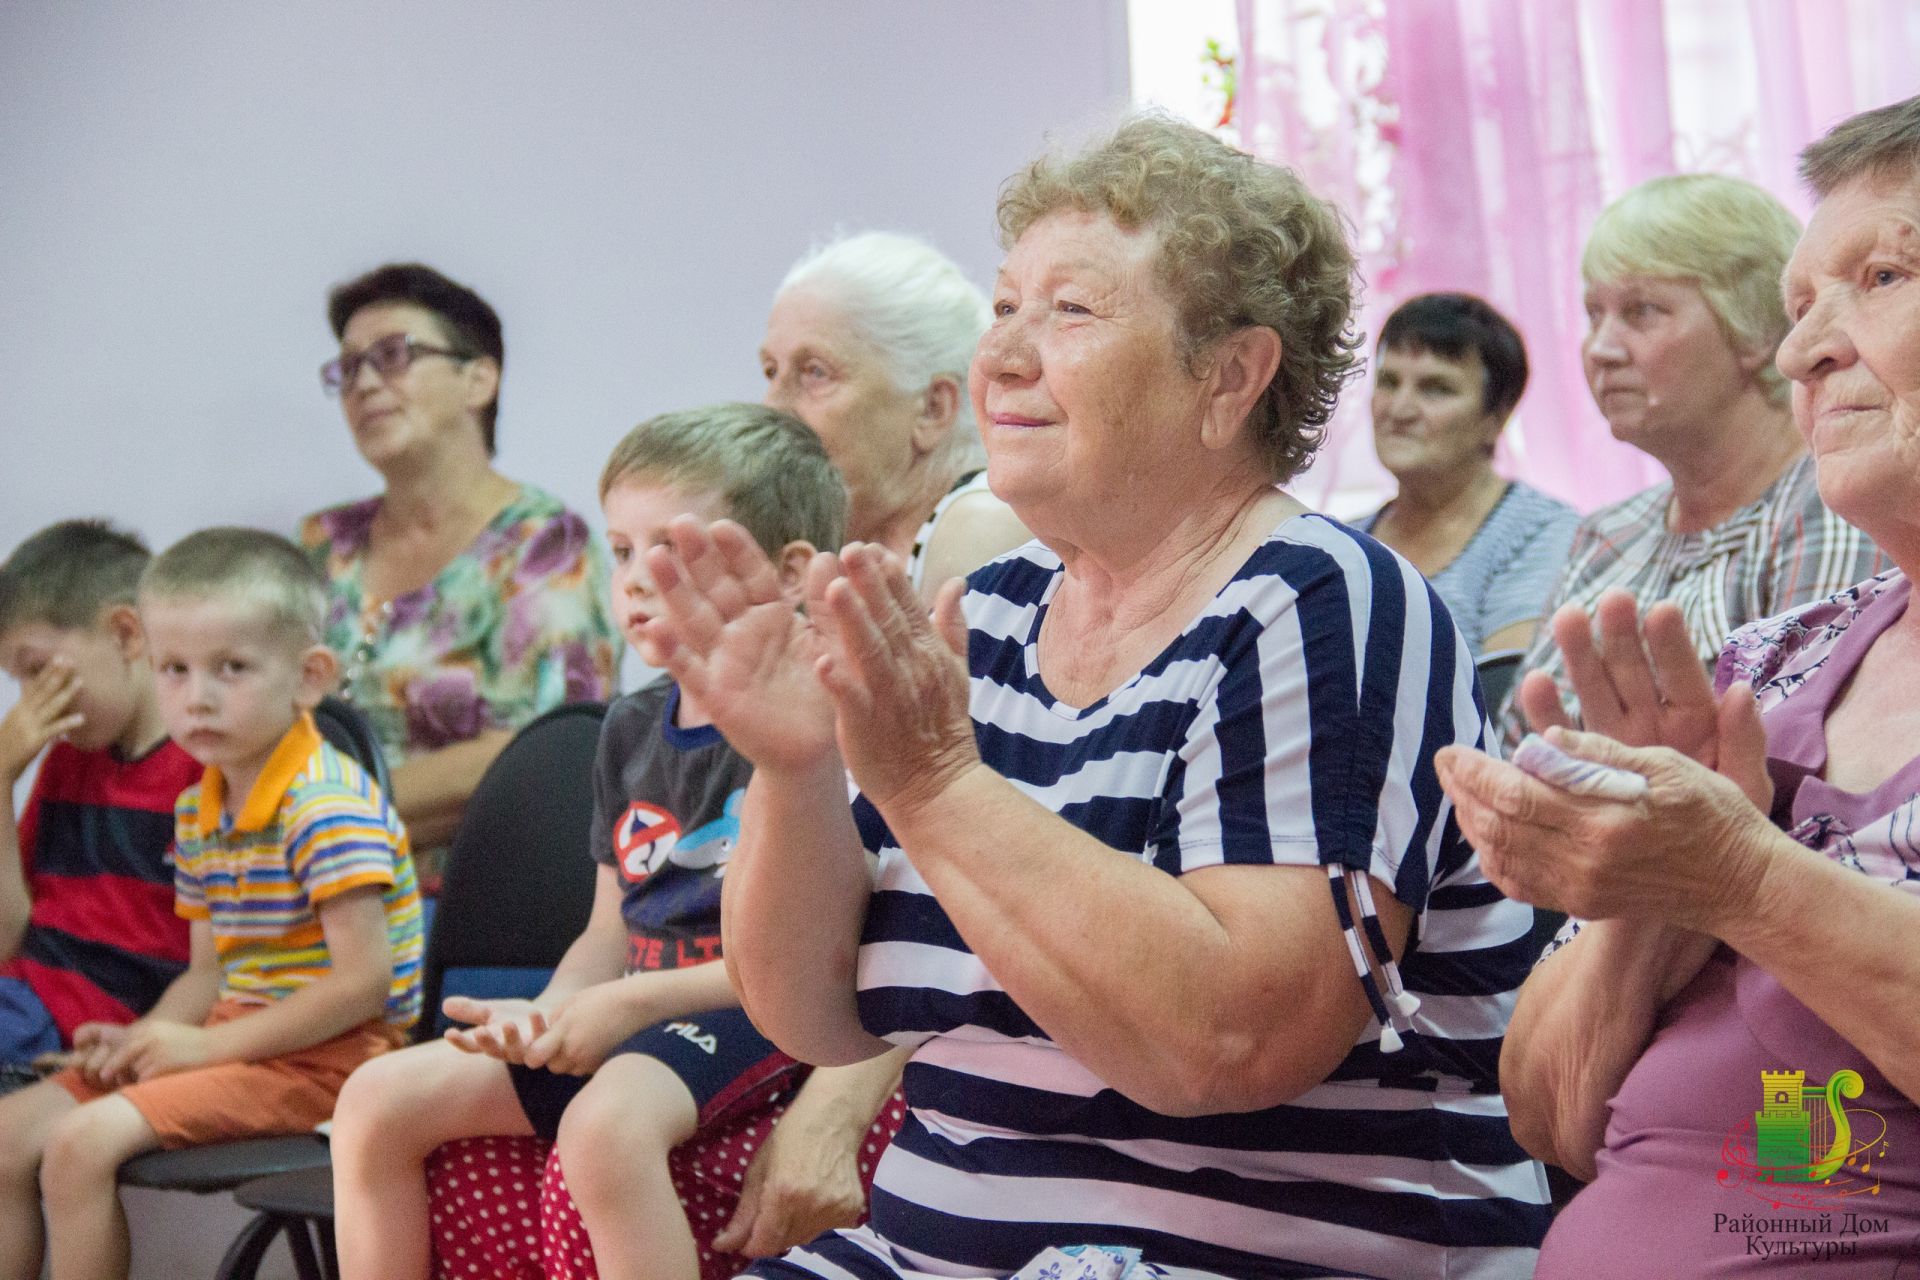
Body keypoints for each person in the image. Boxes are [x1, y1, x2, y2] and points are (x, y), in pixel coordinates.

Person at [641, 114, 1550, 1279]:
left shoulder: (1325, 602)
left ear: (1230, 375)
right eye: (1006, 306)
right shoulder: (993, 609)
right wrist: (796, 767)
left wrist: (938, 783)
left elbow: (1229, 1041)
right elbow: (813, 1014)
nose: (1005, 356)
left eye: (1069, 312)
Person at [1436, 95, 1920, 1275]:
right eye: (1803, 305)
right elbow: (1549, 1113)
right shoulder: (1769, 659)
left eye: (1886, 275)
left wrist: (1741, 877)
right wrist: (1657, 893)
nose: (1808, 347)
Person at [332, 404, 878, 1280]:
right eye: (621, 550)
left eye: (671, 549)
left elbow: (826, 955)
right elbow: (609, 929)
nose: (634, 580)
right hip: (646, 1012)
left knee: (607, 1130)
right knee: (376, 1098)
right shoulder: (627, 728)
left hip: (763, 1015)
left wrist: (624, 1007)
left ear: (786, 572)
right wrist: (552, 1014)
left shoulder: (822, 721)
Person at [0, 527, 422, 1280]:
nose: (196, 697)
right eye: (175, 669)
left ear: (309, 676)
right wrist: (147, 1037)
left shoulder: (324, 802)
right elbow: (206, 975)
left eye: (230, 669)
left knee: (77, 1146)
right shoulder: (202, 806)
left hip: (328, 1064)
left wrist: (206, 1048)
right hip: (244, 1042)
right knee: (8, 1139)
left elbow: (366, 985)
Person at [1495, 174, 1885, 750]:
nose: (1601, 349)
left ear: (1755, 324)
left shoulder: (1831, 503)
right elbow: (1512, 742)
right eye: (1592, 314)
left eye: (1642, 312)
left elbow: (1786, 769)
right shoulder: (1609, 534)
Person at [303, 262, 620, 866]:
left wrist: (313, 815)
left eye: (394, 354)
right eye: (347, 368)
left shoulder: (544, 545)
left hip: (465, 906)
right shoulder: (323, 542)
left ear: (479, 380)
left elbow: (548, 754)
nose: (364, 383)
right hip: (293, 896)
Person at [0, 523, 197, 1086]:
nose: (27, 703)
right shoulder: (66, 761)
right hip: (25, 1004)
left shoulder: (206, 770)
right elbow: (9, 938)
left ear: (126, 634)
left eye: (37, 670)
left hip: (88, 1025)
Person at [760, 231, 1031, 600]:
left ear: (933, 409)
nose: (772, 407)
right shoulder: (833, 547)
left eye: (816, 372)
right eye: (771, 371)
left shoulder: (980, 526)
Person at [1356, 293, 1579, 654]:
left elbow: (1507, 701)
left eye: (1435, 389)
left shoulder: (1540, 534)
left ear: (1496, 417)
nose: (1400, 409)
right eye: (1389, 382)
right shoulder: (1343, 541)